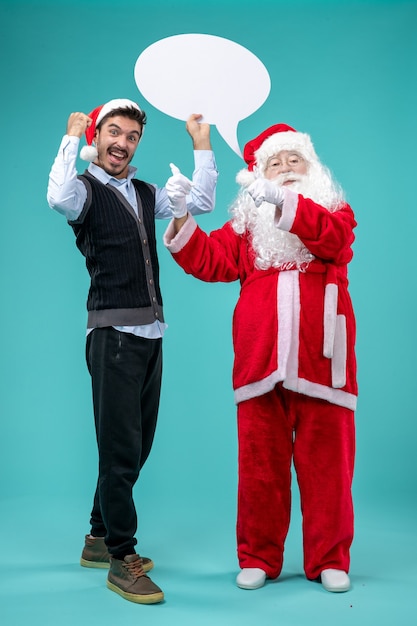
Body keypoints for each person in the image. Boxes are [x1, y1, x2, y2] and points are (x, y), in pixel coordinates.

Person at [163, 123, 357, 594]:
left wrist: (281, 200)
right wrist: (181, 214)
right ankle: (258, 557)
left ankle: (330, 559)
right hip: (259, 361)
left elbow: (333, 242)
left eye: (295, 161)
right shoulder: (247, 229)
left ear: (312, 170)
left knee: (328, 468)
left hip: (323, 363)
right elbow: (211, 262)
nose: (286, 169)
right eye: (275, 163)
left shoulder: (335, 213)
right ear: (257, 173)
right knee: (259, 468)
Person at [47, 98, 218, 604]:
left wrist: (202, 144)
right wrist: (69, 138)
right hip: (112, 335)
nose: (122, 143)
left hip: (151, 333)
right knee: (119, 451)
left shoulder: (146, 192)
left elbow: (200, 204)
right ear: (97, 137)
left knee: (136, 447)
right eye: (113, 133)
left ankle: (99, 537)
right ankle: (123, 558)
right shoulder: (81, 192)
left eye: (131, 137)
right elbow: (56, 197)